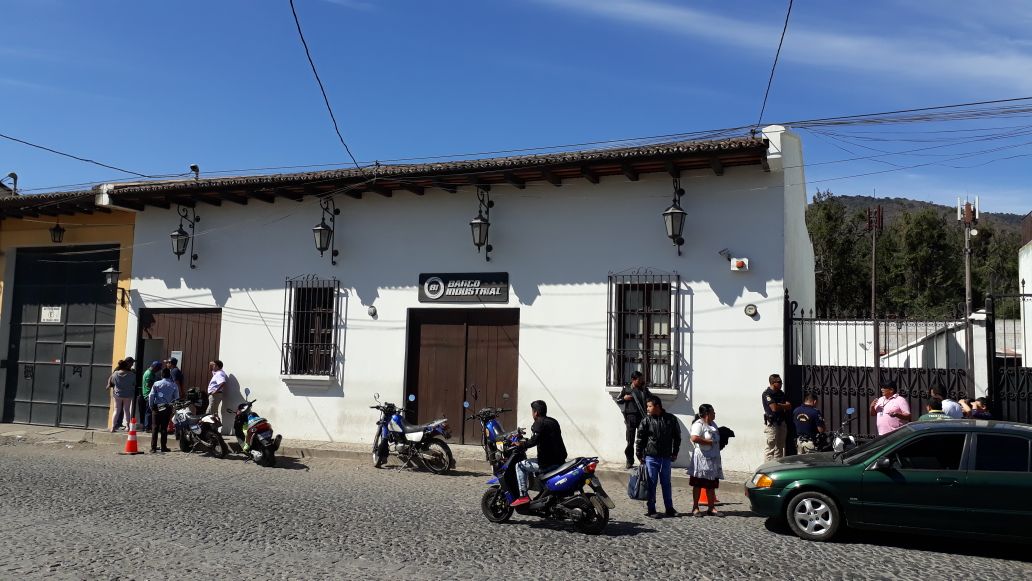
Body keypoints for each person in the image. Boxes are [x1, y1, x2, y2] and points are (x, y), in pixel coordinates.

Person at [511, 400, 567, 507]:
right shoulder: (553, 421)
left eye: (532, 411)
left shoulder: (538, 423)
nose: (532, 414)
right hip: (559, 460)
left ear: (535, 412)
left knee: (520, 466)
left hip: (547, 463)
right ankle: (542, 495)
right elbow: (542, 438)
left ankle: (523, 495)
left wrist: (521, 445)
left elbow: (534, 441)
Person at [635, 396, 680, 518]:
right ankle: (651, 509)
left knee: (666, 483)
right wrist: (639, 454)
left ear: (657, 406)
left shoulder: (671, 419)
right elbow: (640, 439)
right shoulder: (646, 421)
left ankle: (669, 508)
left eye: (650, 406)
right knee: (651, 483)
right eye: (647, 406)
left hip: (666, 457)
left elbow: (677, 437)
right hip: (651, 457)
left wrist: (675, 452)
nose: (647, 408)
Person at [687, 404, 723, 517]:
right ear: (707, 414)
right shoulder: (698, 424)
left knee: (711, 484)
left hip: (713, 458)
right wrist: (709, 442)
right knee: (698, 483)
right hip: (701, 458)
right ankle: (695, 507)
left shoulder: (713, 424)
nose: (715, 413)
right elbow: (694, 438)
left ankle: (711, 507)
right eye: (713, 412)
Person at [614, 370, 653, 468]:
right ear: (633, 380)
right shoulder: (626, 389)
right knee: (630, 441)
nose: (641, 381)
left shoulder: (644, 390)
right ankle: (629, 460)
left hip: (642, 417)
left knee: (643, 439)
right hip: (630, 418)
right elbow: (618, 400)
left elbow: (652, 399)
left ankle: (643, 459)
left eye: (642, 379)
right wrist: (624, 399)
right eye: (639, 380)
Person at [148, 367, 179, 453]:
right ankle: (163, 447)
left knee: (155, 427)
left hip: (157, 407)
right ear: (169, 375)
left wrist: (151, 406)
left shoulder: (156, 384)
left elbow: (151, 396)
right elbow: (176, 398)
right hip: (167, 407)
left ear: (162, 375)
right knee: (164, 428)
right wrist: (174, 408)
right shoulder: (174, 385)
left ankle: (153, 448)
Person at [761, 373, 791, 460]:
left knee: (780, 448)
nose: (781, 384)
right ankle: (768, 469)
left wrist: (779, 405)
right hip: (772, 424)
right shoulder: (767, 394)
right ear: (772, 383)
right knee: (770, 448)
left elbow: (789, 406)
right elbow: (773, 408)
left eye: (781, 382)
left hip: (781, 422)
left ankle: (778, 467)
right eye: (779, 382)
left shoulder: (781, 393)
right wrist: (782, 405)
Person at [108, 358, 136, 432]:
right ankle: (127, 426)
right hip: (128, 394)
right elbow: (134, 383)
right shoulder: (132, 374)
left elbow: (112, 382)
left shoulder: (115, 373)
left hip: (117, 394)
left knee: (116, 410)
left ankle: (113, 427)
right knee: (127, 410)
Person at [139, 361, 161, 433]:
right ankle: (147, 427)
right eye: (158, 368)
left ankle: (149, 426)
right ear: (155, 367)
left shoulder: (151, 373)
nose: (159, 370)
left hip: (151, 394)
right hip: (149, 394)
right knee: (149, 411)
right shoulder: (149, 374)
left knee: (151, 411)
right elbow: (149, 385)